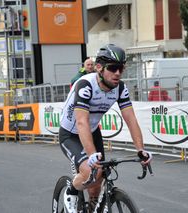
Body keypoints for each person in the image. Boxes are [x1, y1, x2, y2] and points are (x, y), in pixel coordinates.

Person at [59, 44, 153, 213]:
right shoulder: (85, 85)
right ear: (99, 68)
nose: (118, 73)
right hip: (71, 134)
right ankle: (71, 191)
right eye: (113, 68)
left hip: (92, 131)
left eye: (121, 68)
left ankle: (91, 209)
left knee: (96, 183)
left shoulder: (120, 88)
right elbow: (81, 122)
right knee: (91, 171)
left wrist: (141, 150)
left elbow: (131, 119)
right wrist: (91, 156)